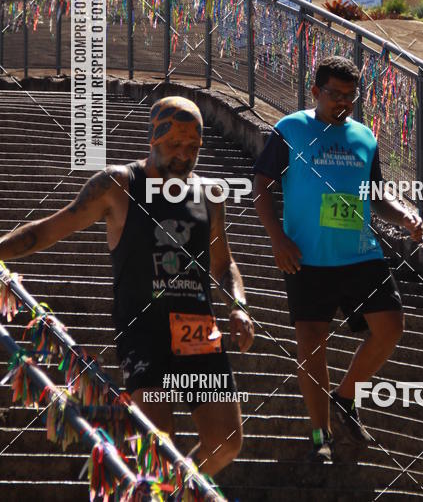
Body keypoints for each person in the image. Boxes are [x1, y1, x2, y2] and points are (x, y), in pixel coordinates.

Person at [0, 96, 254, 477]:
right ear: (154, 138)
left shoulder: (209, 195)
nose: (184, 155)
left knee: (227, 441)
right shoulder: (118, 185)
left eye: (193, 147)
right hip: (144, 332)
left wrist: (239, 306)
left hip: (198, 332)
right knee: (158, 446)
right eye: (175, 144)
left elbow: (223, 263)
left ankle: (174, 493)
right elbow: (48, 230)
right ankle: (166, 488)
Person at [252, 56, 423, 464]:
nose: (343, 102)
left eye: (350, 95)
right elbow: (261, 186)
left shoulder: (364, 137)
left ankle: (345, 398)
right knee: (312, 346)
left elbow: (376, 195)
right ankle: (320, 434)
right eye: (335, 94)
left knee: (390, 327)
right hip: (307, 257)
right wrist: (277, 239)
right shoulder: (290, 129)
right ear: (316, 92)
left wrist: (404, 216)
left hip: (360, 253)